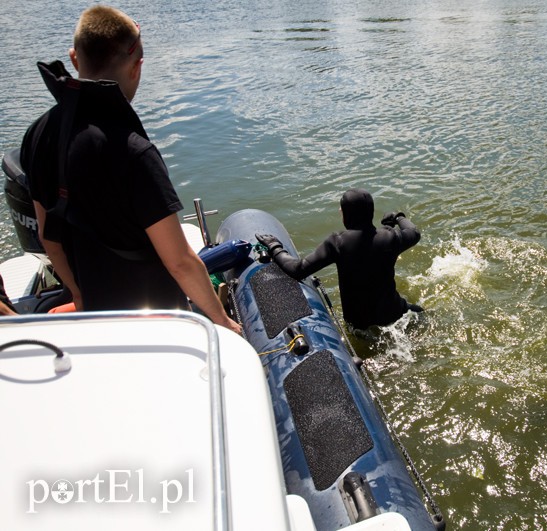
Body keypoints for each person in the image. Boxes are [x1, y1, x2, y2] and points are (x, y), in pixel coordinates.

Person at [19, 6, 240, 333]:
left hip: (93, 317)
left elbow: (47, 237)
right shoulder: (134, 151)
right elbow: (179, 261)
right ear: (137, 67)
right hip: (155, 319)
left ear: (74, 59)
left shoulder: (38, 135)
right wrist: (222, 321)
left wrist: (79, 295)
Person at [257, 188, 422, 330]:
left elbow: (298, 270)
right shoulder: (390, 237)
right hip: (394, 313)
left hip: (360, 324)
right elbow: (414, 232)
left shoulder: (338, 243)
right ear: (371, 212)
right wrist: (398, 216)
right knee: (420, 313)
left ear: (346, 216)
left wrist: (274, 247)